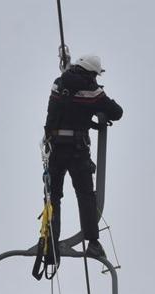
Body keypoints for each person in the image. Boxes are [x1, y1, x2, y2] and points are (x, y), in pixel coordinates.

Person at [44, 54, 123, 259]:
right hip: (77, 150)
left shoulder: (58, 84)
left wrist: (88, 119)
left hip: (54, 149)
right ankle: (93, 243)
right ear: (91, 73)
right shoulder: (91, 90)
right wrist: (98, 107)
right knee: (86, 196)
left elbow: (65, 113)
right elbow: (116, 112)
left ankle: (50, 240)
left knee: (53, 196)